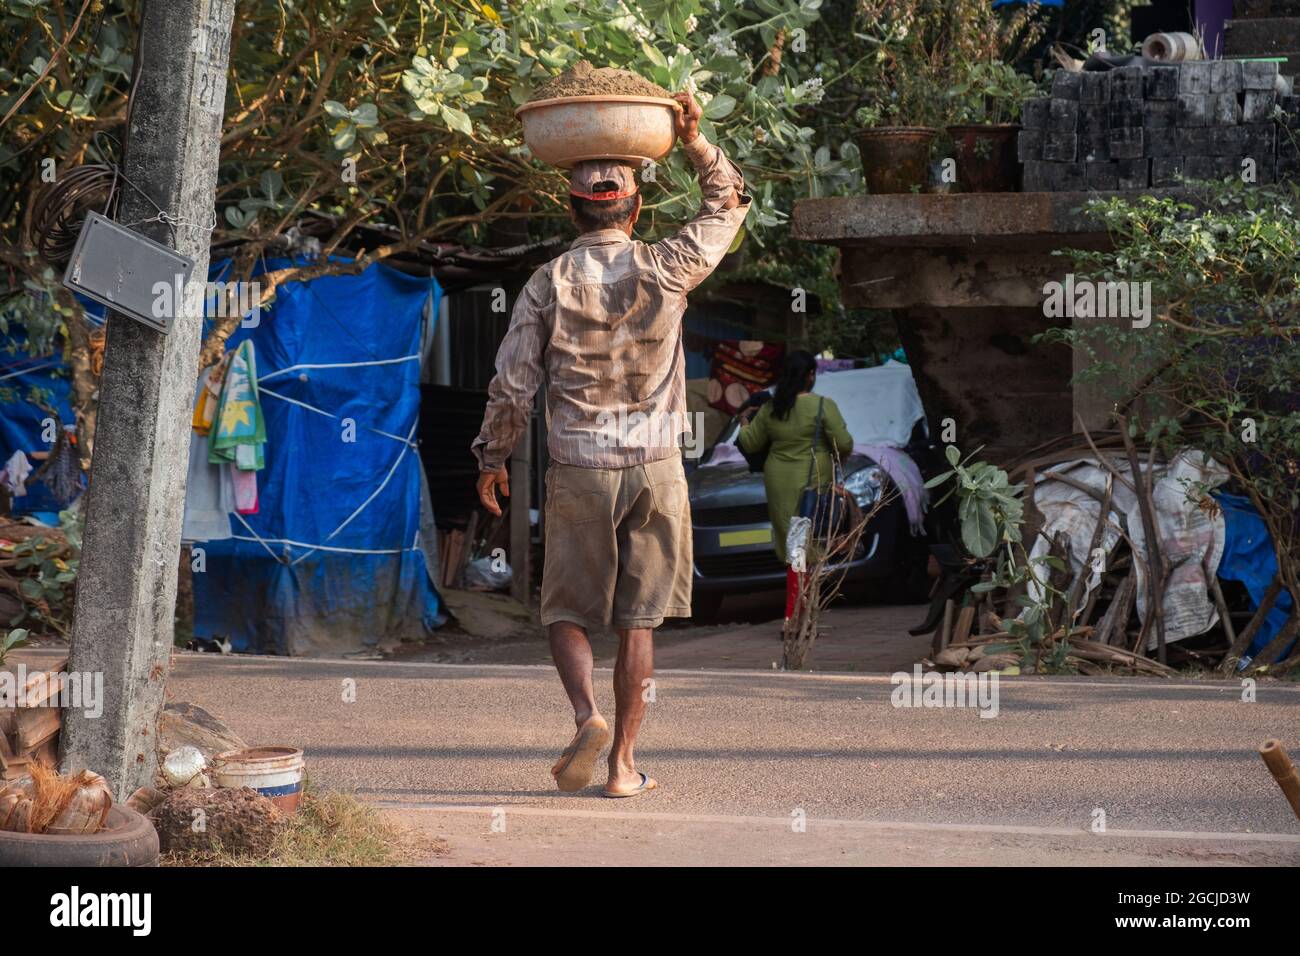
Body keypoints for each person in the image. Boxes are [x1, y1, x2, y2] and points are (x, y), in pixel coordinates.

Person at [471, 91, 750, 798]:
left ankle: (585, 715)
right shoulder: (669, 265)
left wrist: (492, 458)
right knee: (639, 620)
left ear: (574, 209)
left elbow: (512, 385)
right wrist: (693, 140)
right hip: (656, 468)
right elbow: (730, 205)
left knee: (565, 610)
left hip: (580, 469)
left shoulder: (546, 283)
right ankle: (624, 766)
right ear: (632, 209)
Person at [736, 350, 854, 623]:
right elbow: (845, 443)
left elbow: (751, 443)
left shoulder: (771, 408)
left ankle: (799, 612)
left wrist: (744, 421)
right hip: (813, 482)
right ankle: (797, 614)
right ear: (811, 375)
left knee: (794, 546)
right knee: (804, 546)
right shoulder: (823, 406)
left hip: (779, 482)